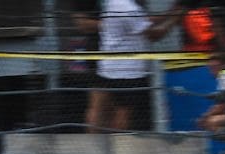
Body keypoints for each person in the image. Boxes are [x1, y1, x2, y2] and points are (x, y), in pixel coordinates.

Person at [74, 0, 182, 132]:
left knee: (101, 108)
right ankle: (119, 146)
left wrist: (170, 14)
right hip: (126, 72)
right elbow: (154, 35)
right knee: (122, 113)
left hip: (108, 68)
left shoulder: (116, 3)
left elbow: (143, 21)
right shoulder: (127, 7)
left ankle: (99, 145)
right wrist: (173, 20)